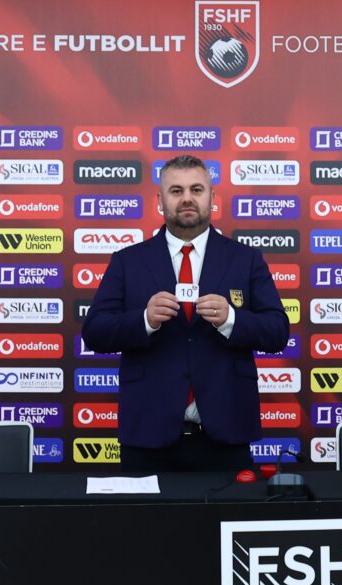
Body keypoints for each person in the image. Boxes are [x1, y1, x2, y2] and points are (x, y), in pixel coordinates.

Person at [82, 154, 290, 472]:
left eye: (196, 189)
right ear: (160, 201)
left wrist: (232, 319)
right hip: (148, 434)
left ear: (212, 197)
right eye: (176, 191)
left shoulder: (245, 259)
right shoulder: (128, 261)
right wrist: (145, 320)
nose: (187, 199)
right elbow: (95, 331)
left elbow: (277, 331)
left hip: (226, 432)